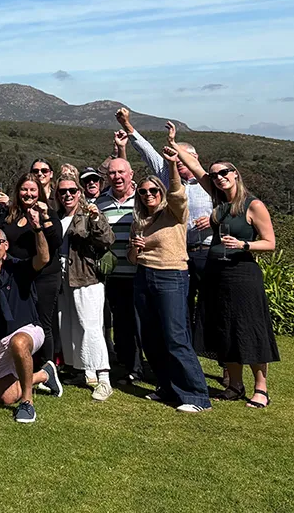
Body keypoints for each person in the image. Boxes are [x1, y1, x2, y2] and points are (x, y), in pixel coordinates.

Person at [174, 146, 279, 408]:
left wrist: (245, 245)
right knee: (224, 328)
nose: (219, 177)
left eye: (224, 173)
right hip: (216, 272)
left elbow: (270, 242)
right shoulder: (218, 201)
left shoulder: (253, 205)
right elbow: (196, 168)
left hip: (242, 274)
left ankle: (261, 388)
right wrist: (175, 144)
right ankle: (234, 384)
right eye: (215, 175)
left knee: (249, 329)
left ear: (235, 174)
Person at [118, 111, 216, 351]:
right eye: (177, 159)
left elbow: (233, 210)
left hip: (204, 252)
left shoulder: (210, 183)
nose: (180, 163)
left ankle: (225, 364)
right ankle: (179, 353)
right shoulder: (166, 176)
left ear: (195, 158)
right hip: (174, 257)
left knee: (213, 306)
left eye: (184, 159)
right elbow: (146, 150)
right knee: (178, 312)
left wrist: (214, 221)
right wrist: (128, 126)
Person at [128, 151, 213, 413]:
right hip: (144, 275)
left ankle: (197, 396)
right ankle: (167, 387)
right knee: (150, 336)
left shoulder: (174, 213)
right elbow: (133, 259)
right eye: (143, 192)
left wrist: (174, 165)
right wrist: (136, 248)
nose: (148, 195)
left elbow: (177, 192)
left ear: (160, 191)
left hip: (171, 276)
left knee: (175, 336)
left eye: (153, 190)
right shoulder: (140, 221)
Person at [0, 224, 63, 424]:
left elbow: (44, 258)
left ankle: (27, 403)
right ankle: (44, 374)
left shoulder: (19, 267)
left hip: (28, 329)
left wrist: (38, 231)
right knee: (6, 397)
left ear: (6, 245)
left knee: (18, 343)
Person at [54, 175, 116, 400]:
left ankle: (104, 378)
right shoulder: (58, 216)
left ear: (79, 192)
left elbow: (107, 239)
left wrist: (96, 218)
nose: (67, 195)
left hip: (85, 278)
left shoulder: (89, 213)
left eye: (72, 190)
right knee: (70, 326)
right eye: (62, 191)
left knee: (90, 327)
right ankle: (83, 371)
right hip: (63, 280)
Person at [2, 174, 65, 369]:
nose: (28, 194)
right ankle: (24, 364)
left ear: (39, 192)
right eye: (24, 189)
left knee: (43, 323)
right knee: (22, 322)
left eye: (32, 190)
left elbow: (56, 242)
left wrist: (44, 218)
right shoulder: (10, 215)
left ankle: (47, 368)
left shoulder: (49, 213)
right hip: (19, 277)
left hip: (45, 276)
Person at [97, 150, 143, 382]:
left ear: (131, 174)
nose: (117, 176)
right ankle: (129, 367)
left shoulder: (144, 198)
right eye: (112, 173)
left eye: (121, 172)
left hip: (139, 271)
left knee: (141, 322)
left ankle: (144, 366)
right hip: (113, 274)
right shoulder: (101, 202)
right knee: (123, 324)